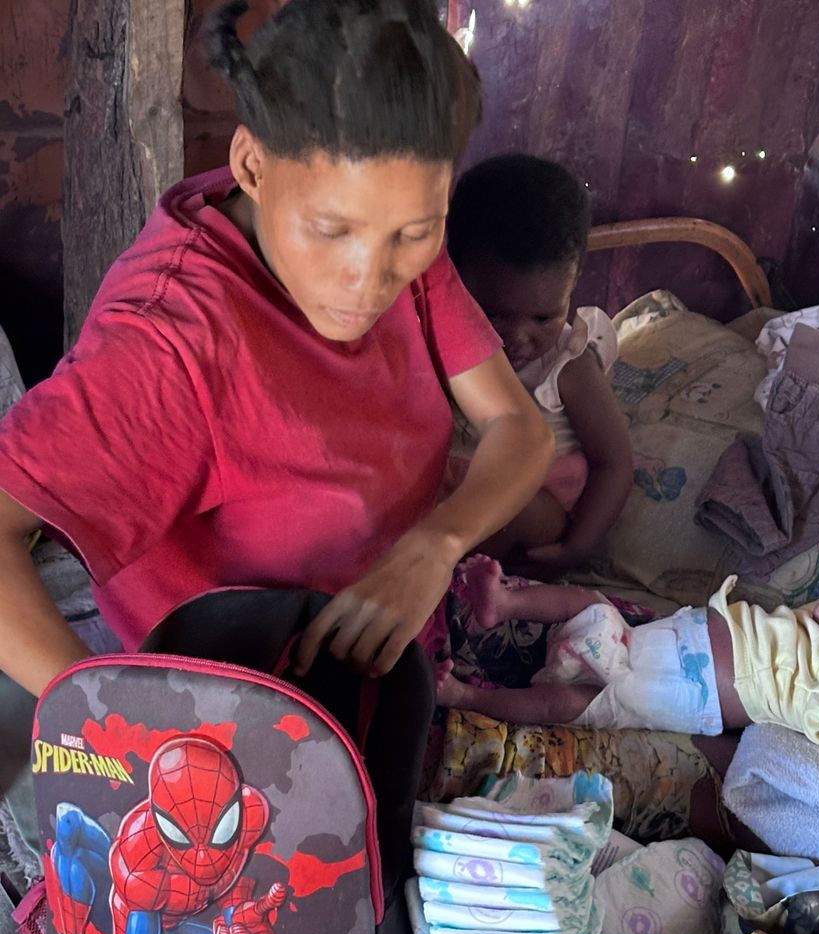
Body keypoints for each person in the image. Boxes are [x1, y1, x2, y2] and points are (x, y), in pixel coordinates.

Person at [0, 0, 554, 706]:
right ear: (251, 166)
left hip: (398, 643)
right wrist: (113, 722)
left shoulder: (388, 226)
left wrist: (435, 547)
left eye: (415, 231)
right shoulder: (174, 342)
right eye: (329, 230)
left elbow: (521, 429)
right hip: (260, 712)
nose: (369, 280)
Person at [437, 555, 819, 757]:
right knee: (589, 603)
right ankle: (502, 605)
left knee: (564, 704)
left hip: (662, 693)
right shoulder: (807, 626)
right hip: (629, 642)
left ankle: (465, 697)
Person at [445, 153, 632, 576]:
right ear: (451, 280)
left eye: (544, 317)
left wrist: (578, 546)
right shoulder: (437, 341)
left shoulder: (566, 367)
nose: (517, 337)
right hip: (454, 501)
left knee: (515, 505)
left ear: (574, 283)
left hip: (535, 512)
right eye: (491, 313)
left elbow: (615, 461)